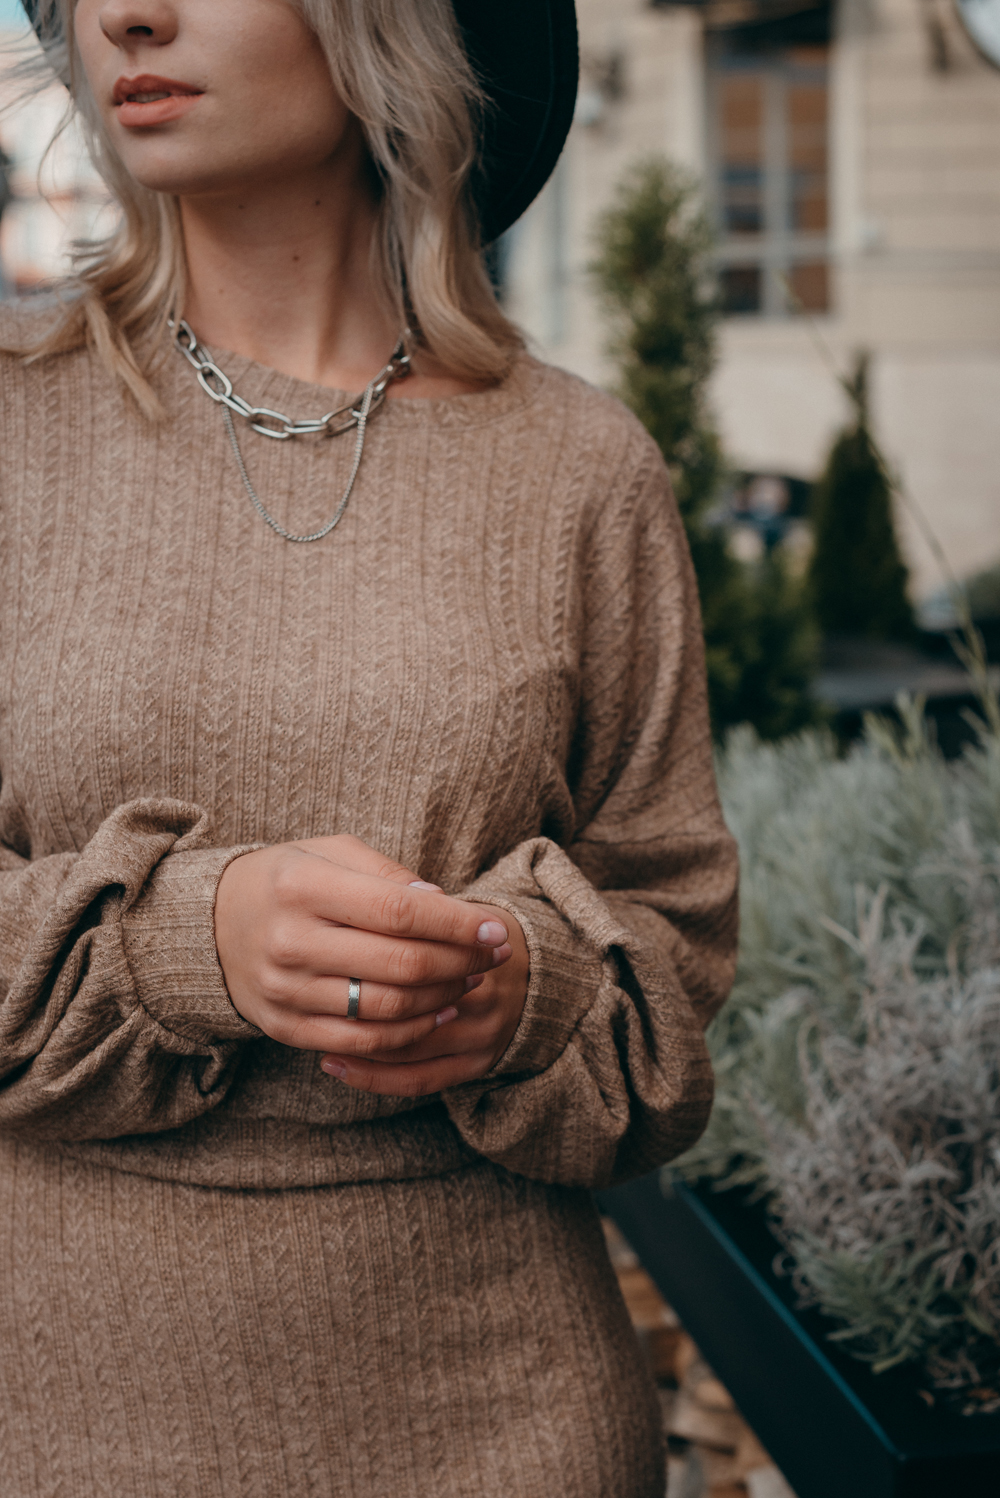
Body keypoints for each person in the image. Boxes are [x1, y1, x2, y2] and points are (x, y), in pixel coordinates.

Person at [0, 1, 738, 1494]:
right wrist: (189, 940)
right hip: (58, 1412)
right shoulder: (17, 436)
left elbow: (675, 967)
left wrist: (520, 990)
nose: (122, 14)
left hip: (506, 1422)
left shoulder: (582, 470)